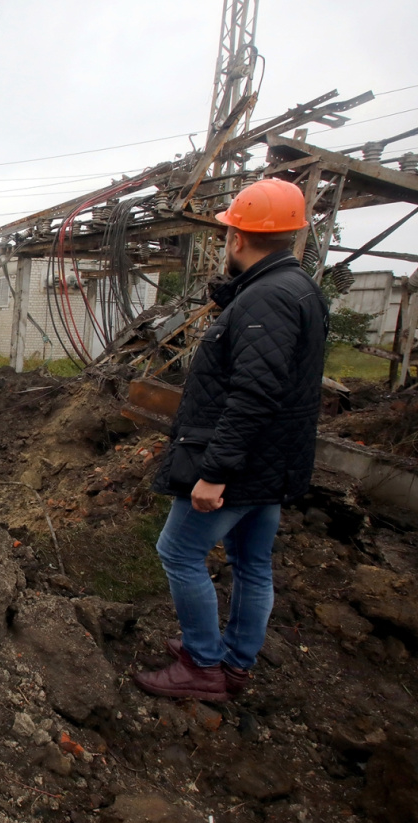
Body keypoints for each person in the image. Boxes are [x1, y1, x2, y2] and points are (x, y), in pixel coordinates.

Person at [134, 178, 329, 703]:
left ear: (238, 238)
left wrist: (215, 472)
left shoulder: (267, 299)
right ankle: (235, 663)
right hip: (273, 461)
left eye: (227, 234)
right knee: (252, 563)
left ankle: (202, 664)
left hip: (240, 464)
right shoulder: (298, 289)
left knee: (178, 551)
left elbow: (253, 394)